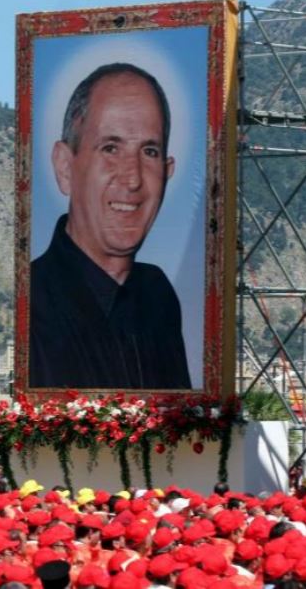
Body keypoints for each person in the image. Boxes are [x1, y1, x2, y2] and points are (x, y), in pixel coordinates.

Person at [30, 62, 191, 389]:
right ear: (65, 167)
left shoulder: (157, 295)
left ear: (167, 170)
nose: (132, 178)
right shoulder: (32, 300)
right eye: (110, 148)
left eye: (149, 151)